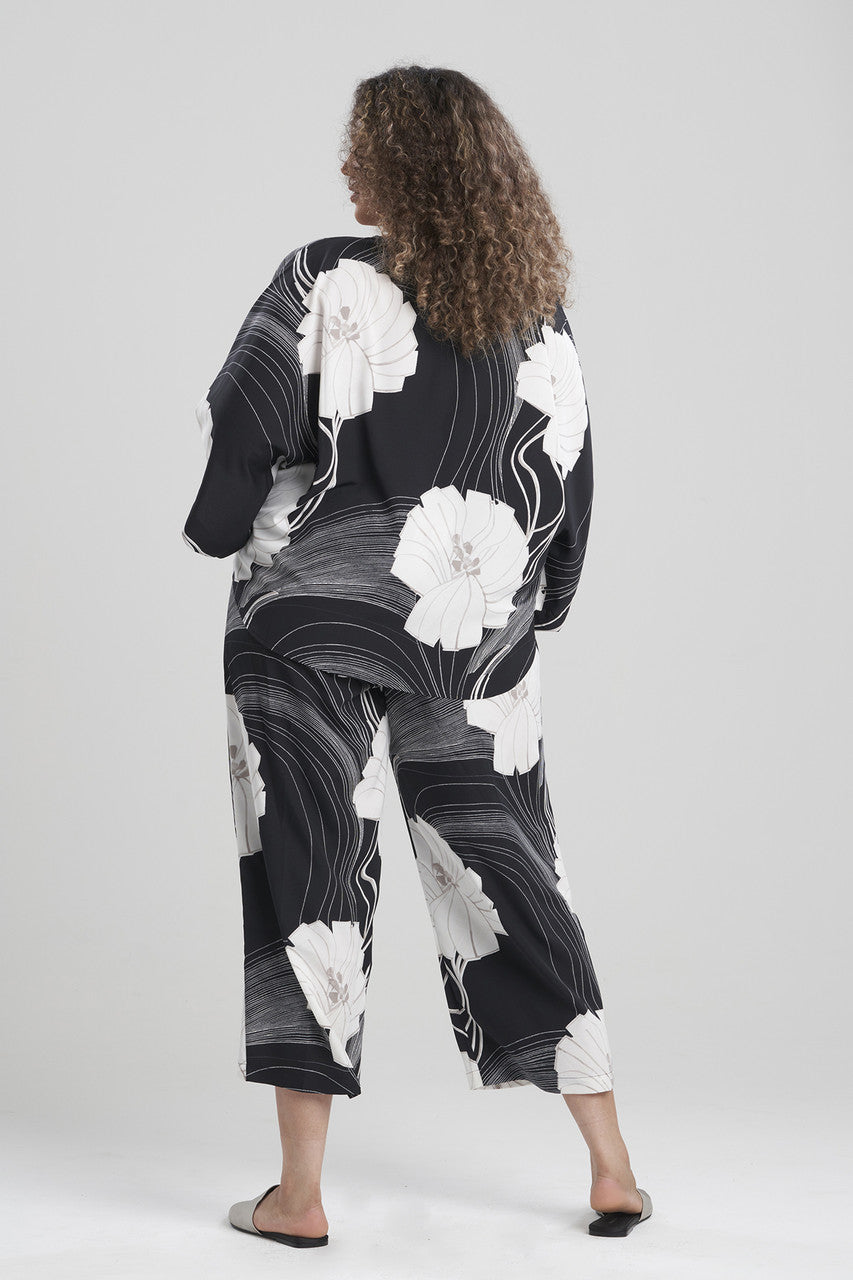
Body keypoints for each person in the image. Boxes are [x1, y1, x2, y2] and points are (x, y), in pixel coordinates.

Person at [183, 64, 652, 1248]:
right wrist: (539, 605)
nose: (346, 165)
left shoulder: (320, 276)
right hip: (469, 624)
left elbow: (242, 424)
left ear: (407, 163)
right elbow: (569, 470)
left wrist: (222, 528)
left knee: (305, 881)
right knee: (511, 868)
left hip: (306, 620)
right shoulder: (532, 304)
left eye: (364, 147)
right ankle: (612, 1168)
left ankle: (298, 1196)